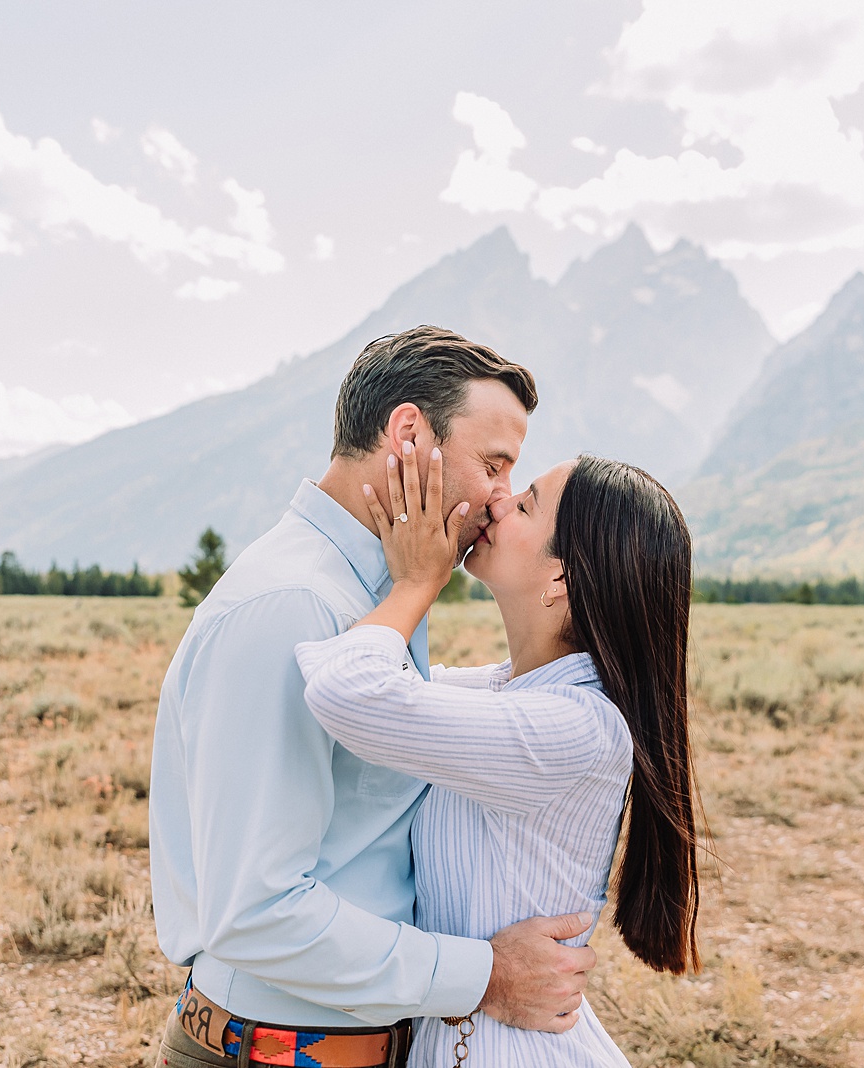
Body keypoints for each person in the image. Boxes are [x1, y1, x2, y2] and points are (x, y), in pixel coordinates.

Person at [150, 326, 599, 1068]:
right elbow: (257, 912)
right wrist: (485, 977)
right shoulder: (296, 606)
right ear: (410, 435)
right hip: (278, 1054)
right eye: (494, 465)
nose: (497, 501)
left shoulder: (370, 597)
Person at [295, 451, 701, 1066]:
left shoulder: (573, 728)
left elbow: (349, 691)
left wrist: (416, 583)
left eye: (526, 504)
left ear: (562, 577)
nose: (498, 501)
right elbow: (378, 683)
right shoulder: (508, 694)